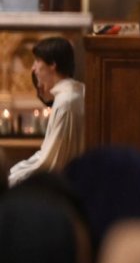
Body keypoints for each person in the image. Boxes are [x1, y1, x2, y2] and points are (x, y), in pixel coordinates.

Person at [8, 37, 86, 186]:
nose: (33, 68)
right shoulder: (74, 93)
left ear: (52, 65)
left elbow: (50, 162)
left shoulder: (66, 102)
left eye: (37, 61)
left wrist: (13, 178)